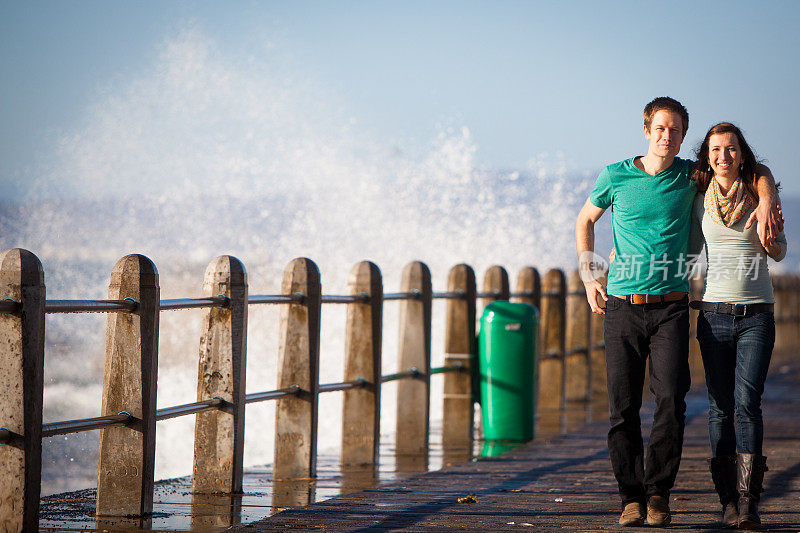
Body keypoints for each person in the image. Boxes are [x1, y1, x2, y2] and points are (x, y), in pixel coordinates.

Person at [574, 97, 782, 528]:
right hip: (621, 306)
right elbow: (585, 221)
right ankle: (631, 497)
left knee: (671, 401)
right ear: (647, 130)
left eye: (676, 131)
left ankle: (658, 494)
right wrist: (590, 275)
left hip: (671, 308)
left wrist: (766, 197)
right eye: (661, 129)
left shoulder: (692, 175)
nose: (667, 137)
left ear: (684, 136)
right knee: (622, 407)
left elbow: (751, 168)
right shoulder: (615, 175)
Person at [688, 122, 786, 530]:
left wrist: (771, 240)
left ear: (742, 154)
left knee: (748, 406)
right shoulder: (698, 196)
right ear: (707, 157)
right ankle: (727, 500)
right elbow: (680, 241)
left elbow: (780, 253)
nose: (723, 156)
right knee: (719, 409)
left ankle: (749, 503)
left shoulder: (761, 195)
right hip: (713, 315)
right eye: (715, 150)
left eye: (730, 149)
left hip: (756, 317)